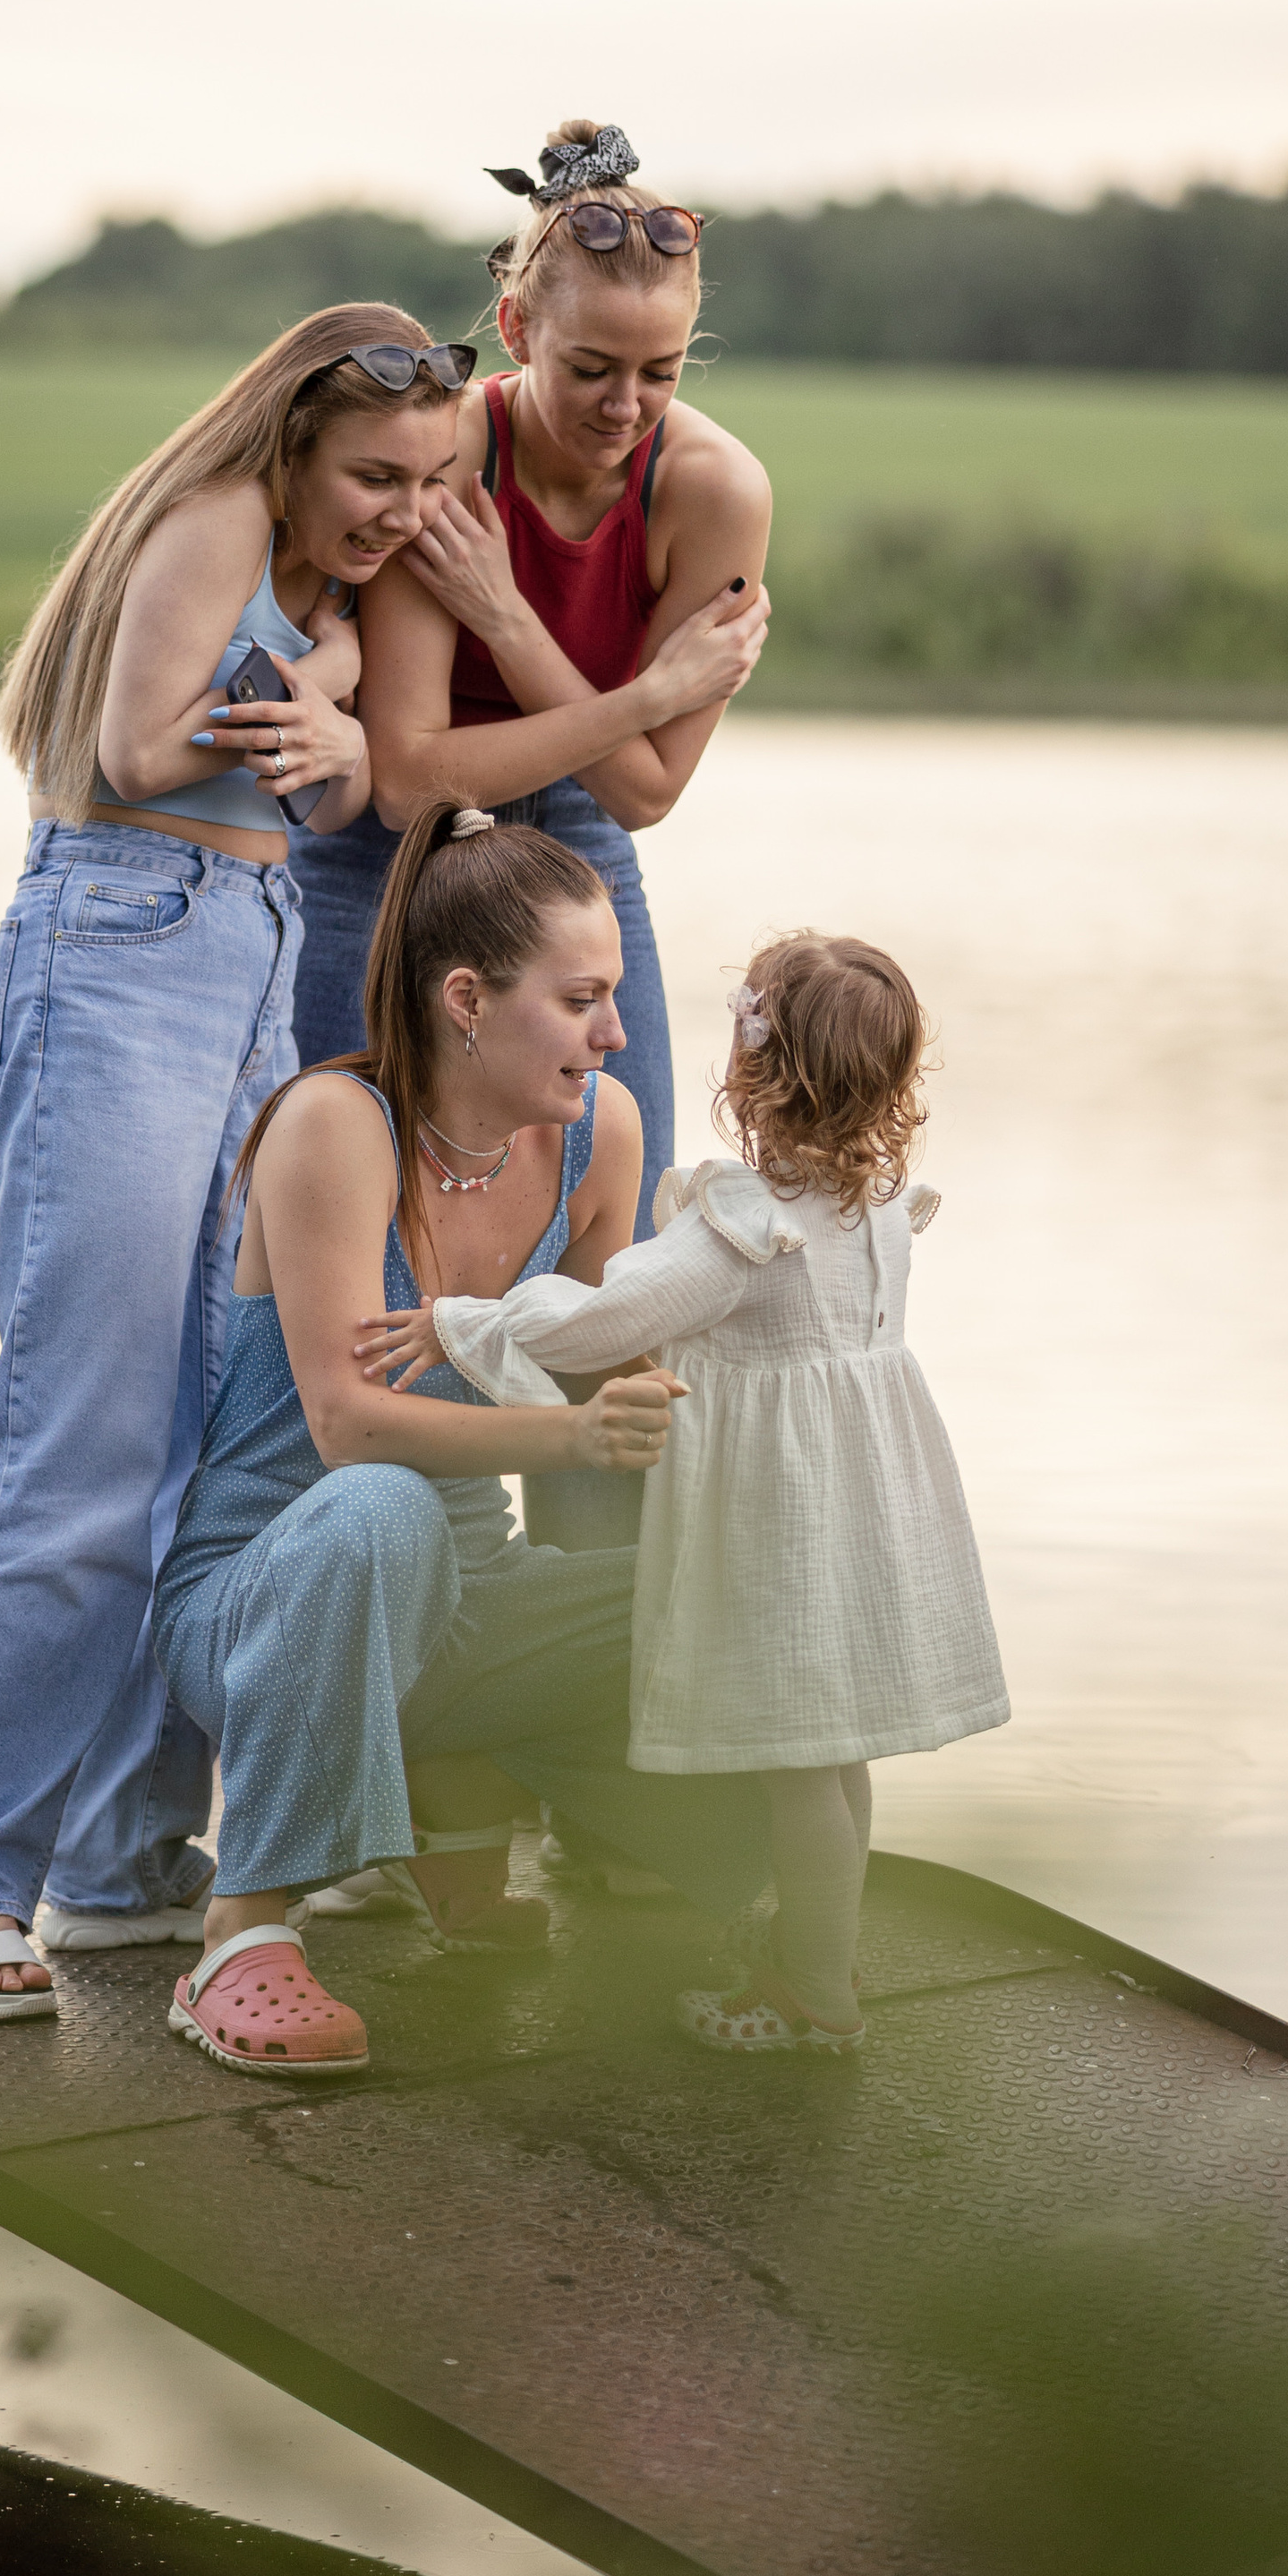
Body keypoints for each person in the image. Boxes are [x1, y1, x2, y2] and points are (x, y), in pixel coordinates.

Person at [0, 307, 468, 2022]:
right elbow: (139, 755)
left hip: (252, 951)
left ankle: (124, 1868)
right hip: (120, 941)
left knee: (213, 1424)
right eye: (372, 474)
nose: (397, 509)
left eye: (427, 481)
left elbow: (325, 790)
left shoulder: (335, 583)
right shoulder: (214, 517)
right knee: (89, 1431)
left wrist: (347, 742)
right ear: (288, 439)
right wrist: (318, 722)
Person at [149, 800, 770, 2077]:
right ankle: (242, 1933)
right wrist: (580, 1444)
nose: (615, 1030)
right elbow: (344, 1423)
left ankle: (489, 1799)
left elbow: (623, 1356)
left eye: (611, 998)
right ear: (468, 999)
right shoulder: (335, 1125)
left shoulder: (600, 1134)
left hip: (473, 1600)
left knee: (728, 1587)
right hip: (273, 1596)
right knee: (383, 1512)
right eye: (582, 997)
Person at [367, 929, 1010, 2057]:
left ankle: (814, 1991)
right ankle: (821, 1955)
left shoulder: (740, 1231)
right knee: (832, 1752)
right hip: (859, 1525)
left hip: (776, 1530)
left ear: (755, 1075)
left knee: (794, 1761)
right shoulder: (877, 1222)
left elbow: (601, 1317)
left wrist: (459, 1319)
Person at [289, 117, 772, 1554]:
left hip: (569, 831)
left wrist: (510, 621)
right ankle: (382, 1581)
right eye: (589, 370)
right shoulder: (449, 463)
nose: (628, 405)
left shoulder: (715, 490)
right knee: (355, 1191)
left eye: (662, 373)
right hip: (382, 861)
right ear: (512, 327)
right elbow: (413, 778)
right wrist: (637, 697)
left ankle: (584, 1643)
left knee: (610, 1249)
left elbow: (640, 795)